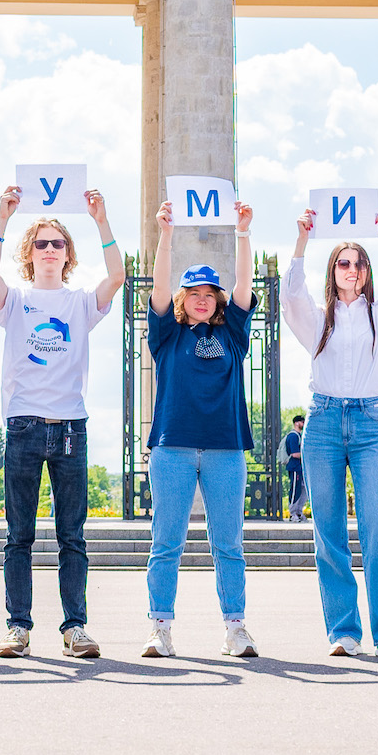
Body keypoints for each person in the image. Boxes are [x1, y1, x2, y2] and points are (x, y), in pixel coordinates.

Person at [0, 184, 125, 660]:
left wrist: (100, 219)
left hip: (69, 429)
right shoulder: (16, 299)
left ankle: (75, 628)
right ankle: (17, 627)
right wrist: (2, 217)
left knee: (72, 537)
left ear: (67, 254)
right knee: (18, 535)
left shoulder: (80, 302)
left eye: (56, 243)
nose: (47, 249)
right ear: (29, 252)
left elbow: (119, 275)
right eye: (39, 243)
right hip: (23, 425)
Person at [284, 209, 378, 658]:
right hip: (321, 422)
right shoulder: (318, 318)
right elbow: (290, 295)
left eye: (359, 263)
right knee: (329, 531)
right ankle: (343, 630)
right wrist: (301, 242)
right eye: (344, 262)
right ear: (333, 270)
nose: (353, 269)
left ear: (367, 272)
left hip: (370, 422)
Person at [142, 198, 258, 659]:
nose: (202, 298)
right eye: (194, 294)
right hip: (172, 448)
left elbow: (245, 284)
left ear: (218, 302)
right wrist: (166, 235)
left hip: (225, 449)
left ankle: (235, 628)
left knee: (228, 544)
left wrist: (243, 233)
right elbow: (158, 283)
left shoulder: (233, 334)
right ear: (182, 301)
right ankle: (160, 628)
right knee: (166, 541)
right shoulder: (166, 334)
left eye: (210, 293)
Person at [282, 416, 307, 521]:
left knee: (303, 490)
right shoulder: (293, 436)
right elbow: (295, 453)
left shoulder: (299, 436)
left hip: (300, 467)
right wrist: (306, 454)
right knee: (295, 490)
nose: (303, 423)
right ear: (296, 423)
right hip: (294, 467)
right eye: (302, 422)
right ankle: (293, 513)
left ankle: (299, 511)